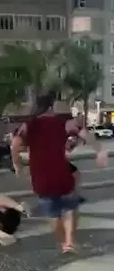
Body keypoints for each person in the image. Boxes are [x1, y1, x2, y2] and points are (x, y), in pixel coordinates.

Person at [11, 94, 108, 253]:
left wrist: (17, 165)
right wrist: (100, 150)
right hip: (61, 173)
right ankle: (70, 242)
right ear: (51, 107)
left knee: (52, 213)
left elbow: (15, 144)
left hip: (40, 176)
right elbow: (84, 135)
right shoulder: (63, 122)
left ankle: (63, 243)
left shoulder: (29, 125)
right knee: (70, 208)